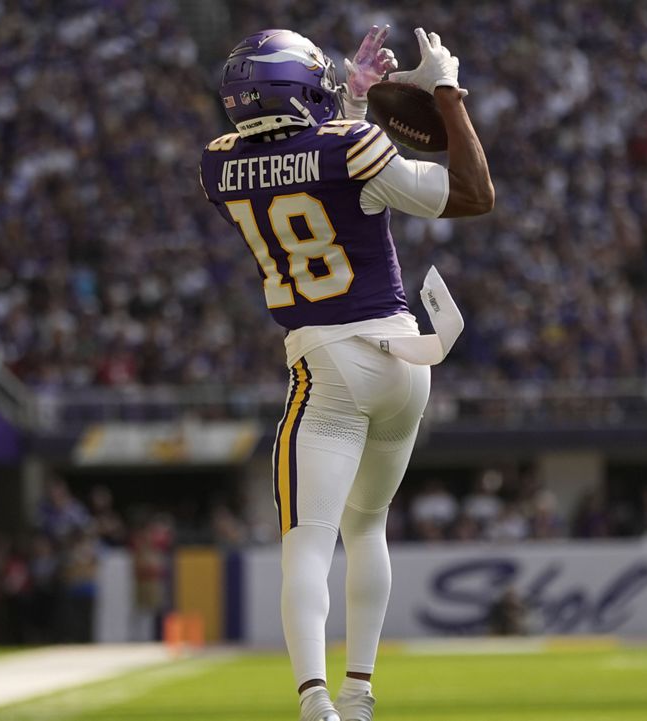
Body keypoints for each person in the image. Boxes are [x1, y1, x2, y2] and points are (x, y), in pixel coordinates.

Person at [199, 25, 493, 721]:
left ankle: (315, 702)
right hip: (401, 356)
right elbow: (471, 193)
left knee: (307, 537)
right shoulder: (348, 146)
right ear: (301, 91)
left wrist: (354, 104)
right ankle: (359, 691)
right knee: (368, 530)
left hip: (326, 364)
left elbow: (311, 172)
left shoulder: (217, 164)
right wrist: (447, 94)